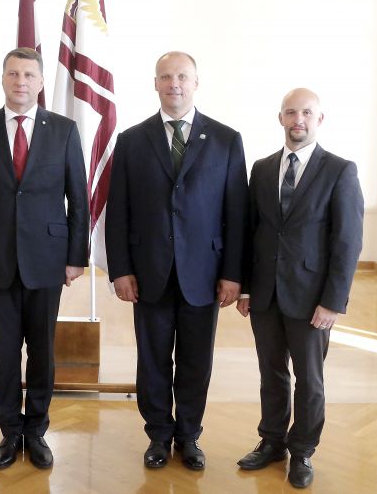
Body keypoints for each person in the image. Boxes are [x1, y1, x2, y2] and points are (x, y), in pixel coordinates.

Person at [105, 51, 248, 470]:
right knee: (152, 361)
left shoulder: (226, 140)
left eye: (182, 76)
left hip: (204, 274)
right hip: (149, 273)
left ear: (196, 83)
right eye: (166, 77)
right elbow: (119, 211)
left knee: (195, 362)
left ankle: (188, 436)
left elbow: (237, 213)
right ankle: (158, 436)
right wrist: (121, 269)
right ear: (155, 84)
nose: (175, 84)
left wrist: (233, 274)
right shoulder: (131, 140)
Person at [0, 47, 88, 470]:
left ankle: (36, 432)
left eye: (29, 75)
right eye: (13, 74)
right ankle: (10, 432)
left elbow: (78, 198)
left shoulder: (64, 130)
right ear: (2, 79)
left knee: (42, 351)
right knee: (5, 350)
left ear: (41, 82)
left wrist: (76, 256)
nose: (20, 82)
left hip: (47, 259)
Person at [235, 88, 364, 488]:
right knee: (271, 372)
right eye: (291, 112)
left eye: (307, 113)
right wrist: (246, 289)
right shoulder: (261, 169)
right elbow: (250, 232)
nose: (298, 120)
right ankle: (272, 441)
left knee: (309, 380)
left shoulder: (340, 170)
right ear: (281, 118)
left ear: (319, 119)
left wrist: (332, 302)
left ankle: (303, 450)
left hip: (311, 299)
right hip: (265, 294)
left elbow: (347, 242)